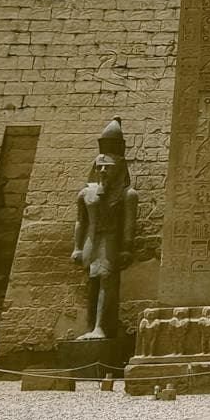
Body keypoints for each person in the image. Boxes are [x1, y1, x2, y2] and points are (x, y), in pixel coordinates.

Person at [71, 118, 138, 340]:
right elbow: (81, 221)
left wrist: (127, 247)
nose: (102, 171)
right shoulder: (85, 194)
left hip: (110, 238)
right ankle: (90, 326)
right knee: (90, 281)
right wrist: (77, 247)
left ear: (118, 169)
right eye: (99, 167)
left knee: (106, 280)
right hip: (92, 238)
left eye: (107, 168)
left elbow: (128, 225)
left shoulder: (127, 195)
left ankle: (101, 326)